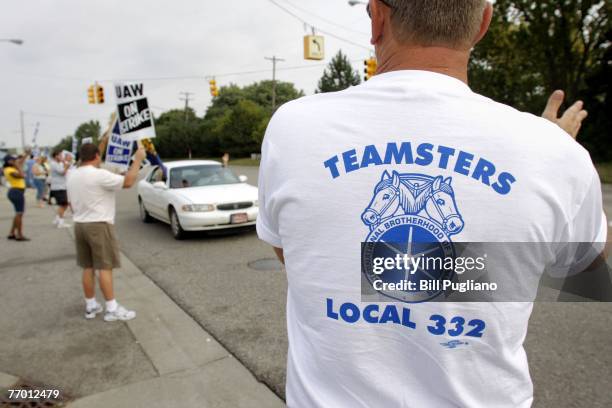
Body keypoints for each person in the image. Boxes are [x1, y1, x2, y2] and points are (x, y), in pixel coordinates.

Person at [256, 1, 607, 407]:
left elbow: (292, 253)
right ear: (483, 24)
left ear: (377, 18)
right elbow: (586, 269)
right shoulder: (555, 154)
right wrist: (548, 155)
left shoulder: (292, 127)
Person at [66, 143, 146, 321]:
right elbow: (128, 182)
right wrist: (138, 160)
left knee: (87, 266)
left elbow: (71, 204)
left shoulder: (72, 175)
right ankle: (112, 308)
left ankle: (91, 305)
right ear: (95, 156)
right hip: (99, 224)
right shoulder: (98, 174)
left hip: (79, 224)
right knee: (105, 266)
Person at [3, 155, 29, 241]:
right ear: (10, 162)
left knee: (18, 213)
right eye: (14, 161)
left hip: (16, 192)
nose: (16, 162)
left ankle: (12, 233)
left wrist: (26, 154)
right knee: (19, 214)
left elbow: (21, 161)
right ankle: (19, 235)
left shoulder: (11, 168)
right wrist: (18, 166)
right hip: (16, 192)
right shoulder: (9, 170)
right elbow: (22, 175)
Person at [49, 150, 71, 228]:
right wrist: (66, 167)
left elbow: (65, 168)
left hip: (61, 186)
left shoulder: (58, 163)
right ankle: (61, 222)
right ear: (56, 156)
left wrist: (65, 163)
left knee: (64, 204)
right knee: (64, 204)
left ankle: (57, 219)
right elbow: (62, 172)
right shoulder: (54, 164)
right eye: (60, 156)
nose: (62, 157)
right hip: (58, 187)